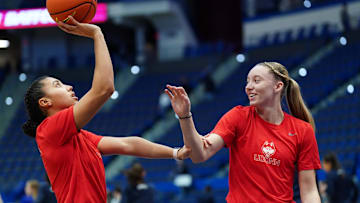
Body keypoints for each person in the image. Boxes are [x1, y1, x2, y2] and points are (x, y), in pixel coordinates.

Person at [22, 16, 191, 203]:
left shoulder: (81, 137)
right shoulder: (48, 130)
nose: (69, 86)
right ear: (45, 102)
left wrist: (175, 152)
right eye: (58, 85)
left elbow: (128, 145)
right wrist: (97, 34)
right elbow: (104, 89)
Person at [165, 62, 321, 202]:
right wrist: (185, 116)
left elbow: (309, 191)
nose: (248, 86)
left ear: (277, 86)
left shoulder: (302, 130)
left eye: (256, 80)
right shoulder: (238, 117)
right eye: (247, 81)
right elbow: (199, 154)